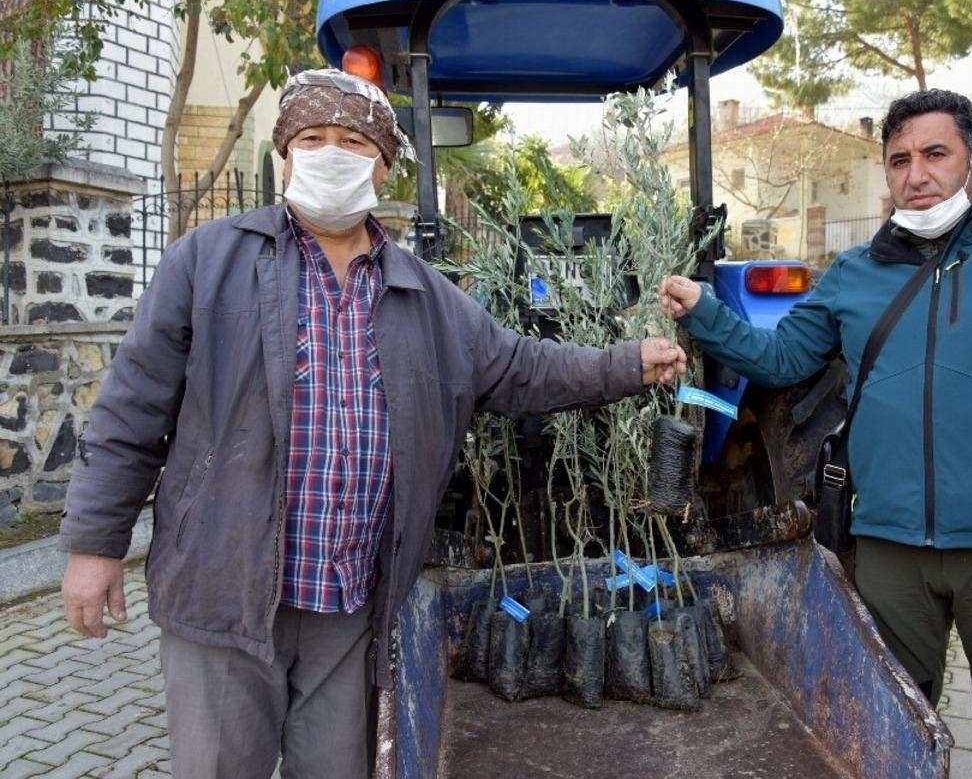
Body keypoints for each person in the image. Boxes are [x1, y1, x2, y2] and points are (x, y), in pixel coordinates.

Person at [58, 68, 687, 779]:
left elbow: (521, 369)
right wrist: (94, 543)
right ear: (284, 157)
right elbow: (131, 406)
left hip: (349, 606)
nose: (331, 153)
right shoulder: (209, 261)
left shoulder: (425, 295)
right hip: (225, 597)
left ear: (383, 165)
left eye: (353, 141)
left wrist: (629, 363)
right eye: (312, 138)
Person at [660, 89, 972, 779]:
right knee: (887, 739)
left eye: (935, 154)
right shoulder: (854, 274)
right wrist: (706, 310)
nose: (916, 174)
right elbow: (783, 359)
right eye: (898, 161)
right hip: (888, 554)